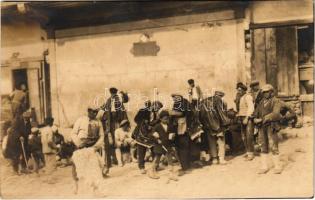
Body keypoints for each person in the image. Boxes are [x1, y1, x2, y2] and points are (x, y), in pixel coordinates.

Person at [253, 84, 282, 174]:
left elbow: (276, 113)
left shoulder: (276, 101)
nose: (265, 94)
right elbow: (255, 113)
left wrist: (263, 119)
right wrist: (254, 118)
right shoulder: (261, 102)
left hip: (271, 126)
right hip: (262, 127)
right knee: (263, 146)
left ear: (271, 92)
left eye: (267, 92)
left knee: (273, 145)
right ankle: (264, 167)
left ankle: (277, 166)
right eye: (264, 92)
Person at [199, 89, 230, 165]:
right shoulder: (217, 100)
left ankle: (215, 159)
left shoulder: (202, 102)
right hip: (218, 124)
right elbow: (221, 113)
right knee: (221, 141)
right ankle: (221, 159)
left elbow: (200, 115)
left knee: (211, 142)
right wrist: (226, 122)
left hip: (207, 125)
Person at [148, 110, 178, 181]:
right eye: (165, 119)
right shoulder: (157, 126)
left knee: (169, 159)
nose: (166, 120)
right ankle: (151, 171)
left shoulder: (170, 126)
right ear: (160, 119)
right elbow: (151, 135)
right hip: (159, 145)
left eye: (167, 118)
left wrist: (173, 136)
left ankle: (171, 173)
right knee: (157, 159)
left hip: (167, 145)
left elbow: (172, 134)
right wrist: (156, 139)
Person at [170, 94, 192, 174]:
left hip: (182, 129)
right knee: (183, 147)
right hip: (182, 130)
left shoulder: (181, 104)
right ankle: (186, 166)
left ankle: (185, 167)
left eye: (176, 98)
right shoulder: (184, 103)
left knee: (182, 148)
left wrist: (171, 113)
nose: (174, 99)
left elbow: (181, 113)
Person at [236, 82, 255, 161]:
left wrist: (247, 118)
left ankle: (251, 154)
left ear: (244, 90)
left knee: (249, 136)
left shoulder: (248, 97)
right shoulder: (241, 98)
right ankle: (248, 152)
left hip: (248, 118)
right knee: (244, 136)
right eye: (238, 90)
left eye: (240, 90)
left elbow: (251, 108)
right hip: (241, 118)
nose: (238, 92)